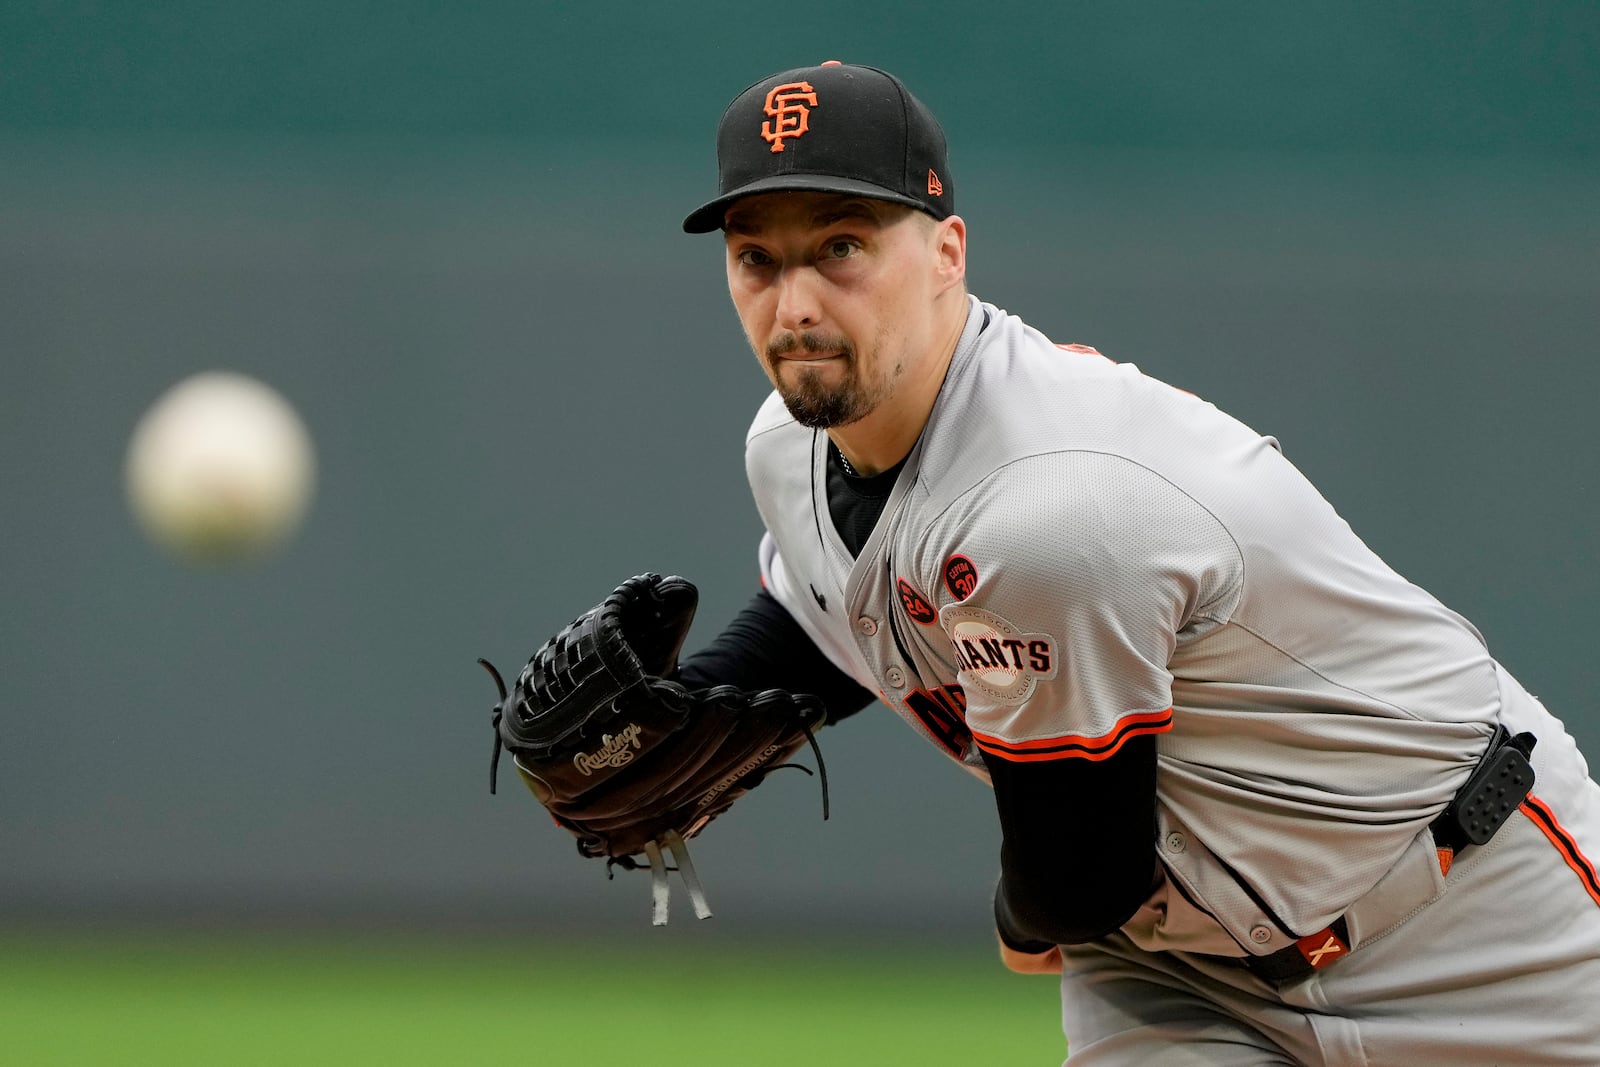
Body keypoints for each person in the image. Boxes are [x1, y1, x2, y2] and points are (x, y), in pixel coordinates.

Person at [668, 61, 1600, 1064]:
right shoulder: (789, 445)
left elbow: (1075, 878)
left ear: (947, 252)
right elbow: (831, 608)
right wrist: (677, 710)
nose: (795, 302)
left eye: (841, 245)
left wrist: (1023, 918)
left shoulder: (1052, 500)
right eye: (757, 259)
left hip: (1478, 919)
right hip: (1174, 965)